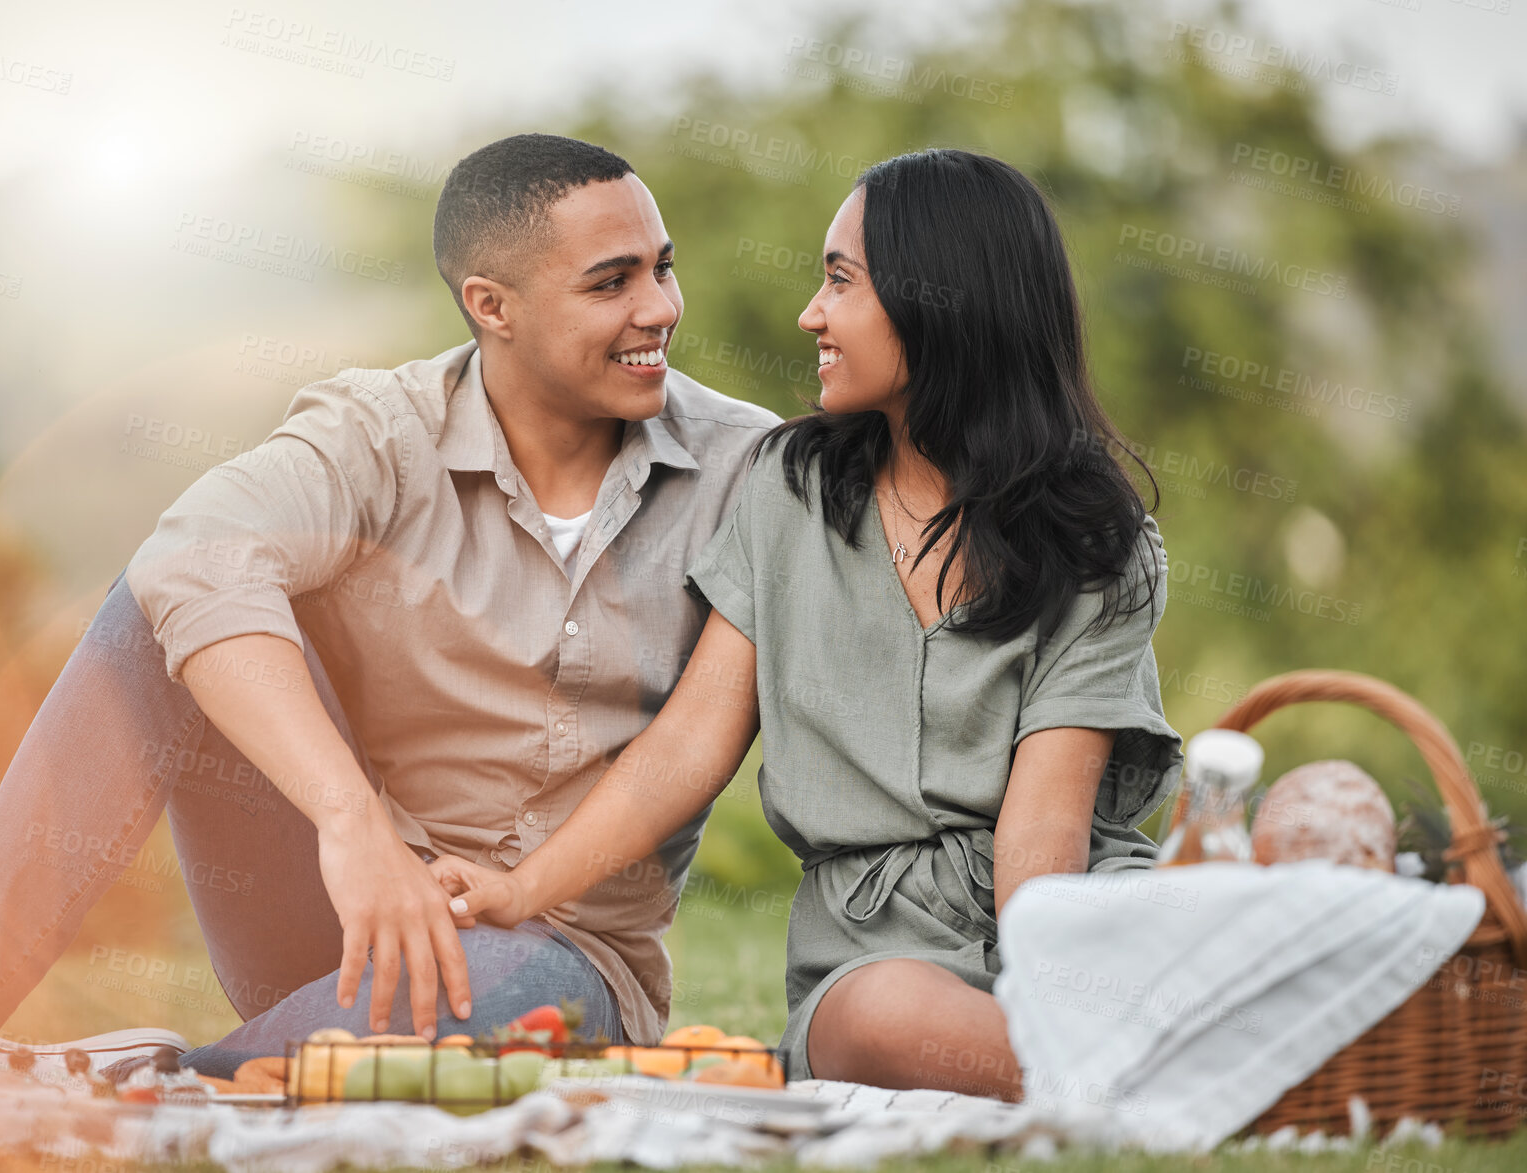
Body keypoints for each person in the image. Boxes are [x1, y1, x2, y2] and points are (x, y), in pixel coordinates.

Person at [0, 133, 780, 1094]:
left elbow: (695, 740)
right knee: (158, 600)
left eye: (662, 270)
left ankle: (153, 1073)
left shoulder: (749, 471)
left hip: (555, 950)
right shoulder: (379, 432)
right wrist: (349, 819)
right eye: (611, 283)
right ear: (492, 306)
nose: (660, 308)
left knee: (508, 1001)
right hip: (336, 909)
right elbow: (192, 558)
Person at [434, 148, 1185, 1099]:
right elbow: (689, 745)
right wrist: (521, 888)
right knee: (877, 1018)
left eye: (841, 280)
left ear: (938, 301)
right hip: (878, 957)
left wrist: (1057, 994)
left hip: (1068, 921)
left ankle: (1107, 1063)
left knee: (1233, 916)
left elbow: (1044, 834)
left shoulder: (1097, 540)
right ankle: (1168, 1079)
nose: (812, 313)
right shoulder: (789, 488)